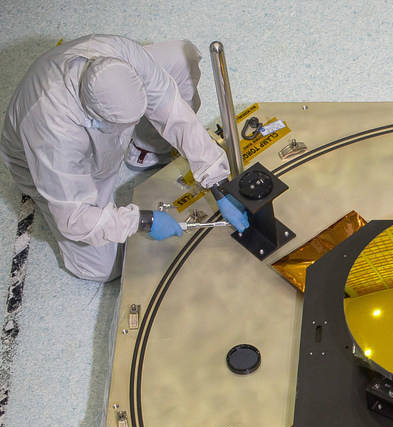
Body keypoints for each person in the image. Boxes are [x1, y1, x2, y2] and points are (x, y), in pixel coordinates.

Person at [0, 34, 248, 282]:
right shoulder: (52, 131)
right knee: (105, 268)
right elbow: (74, 219)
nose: (134, 125)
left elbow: (173, 111)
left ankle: (145, 150)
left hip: (92, 112)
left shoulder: (122, 54)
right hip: (47, 166)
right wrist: (143, 220)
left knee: (182, 56)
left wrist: (217, 182)